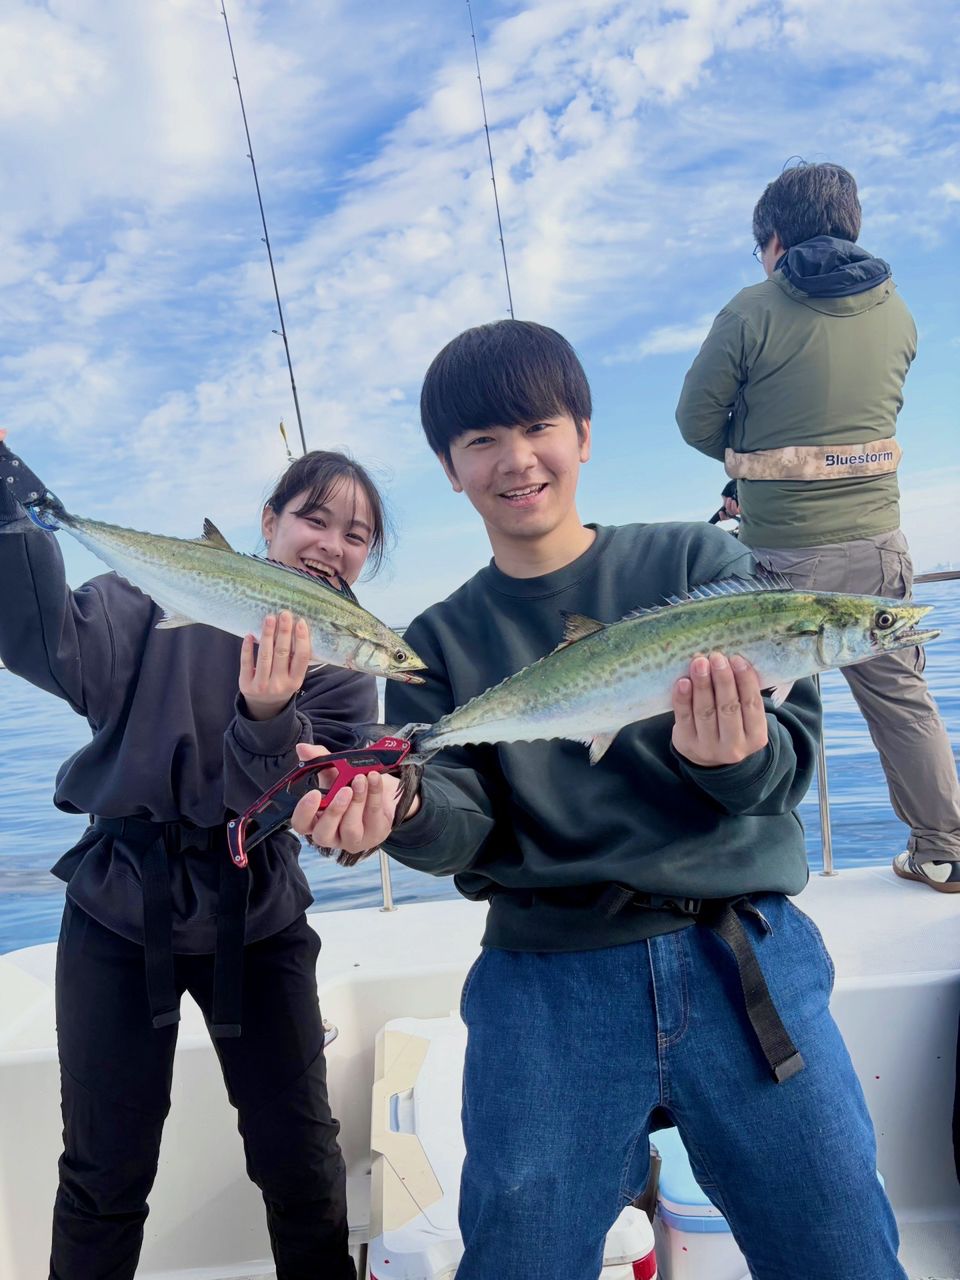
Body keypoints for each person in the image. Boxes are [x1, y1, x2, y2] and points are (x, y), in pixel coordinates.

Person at [288, 320, 908, 1280]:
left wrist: (730, 760)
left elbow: (786, 763)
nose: (515, 459)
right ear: (450, 470)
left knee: (845, 1252)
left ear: (583, 432)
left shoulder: (701, 565)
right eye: (480, 441)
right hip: (547, 979)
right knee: (518, 1261)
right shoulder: (440, 643)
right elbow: (462, 815)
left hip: (742, 960)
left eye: (537, 426)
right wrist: (406, 814)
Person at [0, 429, 383, 1280]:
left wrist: (269, 710)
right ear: (268, 523)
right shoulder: (148, 599)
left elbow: (298, 802)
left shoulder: (347, 664)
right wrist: (8, 506)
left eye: (356, 536)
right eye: (313, 519)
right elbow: (42, 638)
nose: (332, 545)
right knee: (103, 1172)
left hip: (259, 911)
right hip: (119, 904)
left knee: (303, 1163)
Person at [676, 160, 960, 893]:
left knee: (760, 706)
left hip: (780, 562)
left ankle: (751, 867)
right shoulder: (899, 313)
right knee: (902, 702)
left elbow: (693, 420)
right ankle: (945, 849)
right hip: (881, 549)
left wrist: (746, 463)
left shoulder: (751, 309)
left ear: (774, 240)